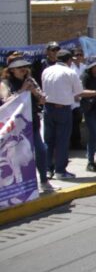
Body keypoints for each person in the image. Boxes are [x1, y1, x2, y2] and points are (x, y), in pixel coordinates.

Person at [42, 49, 96, 179]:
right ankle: (60, 171)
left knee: (49, 141)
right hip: (63, 109)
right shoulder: (70, 72)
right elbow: (79, 93)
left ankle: (47, 169)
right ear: (69, 60)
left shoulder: (46, 71)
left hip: (48, 108)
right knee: (62, 141)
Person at [0, 56, 55, 191]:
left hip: (31, 122)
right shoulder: (5, 84)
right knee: (17, 157)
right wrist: (22, 90)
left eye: (25, 67)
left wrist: (35, 92)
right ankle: (19, 185)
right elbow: (7, 102)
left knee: (41, 150)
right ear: (12, 70)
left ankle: (44, 180)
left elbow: (42, 100)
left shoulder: (30, 81)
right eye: (19, 68)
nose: (23, 70)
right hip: (14, 127)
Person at [69, 47, 87, 151]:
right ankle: (74, 143)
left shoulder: (84, 67)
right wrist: (75, 94)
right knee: (74, 120)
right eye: (77, 55)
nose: (79, 57)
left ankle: (77, 142)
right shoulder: (70, 68)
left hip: (82, 95)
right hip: (73, 97)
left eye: (81, 55)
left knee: (79, 119)